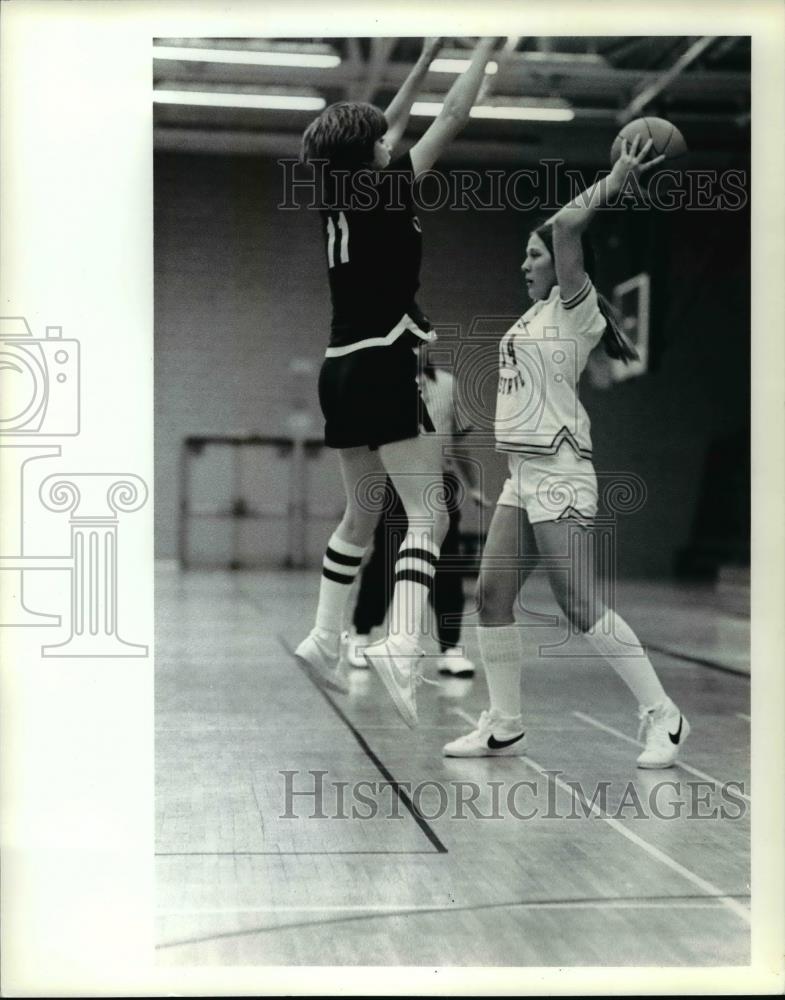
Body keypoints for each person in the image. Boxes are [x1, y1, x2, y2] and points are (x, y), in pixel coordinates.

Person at [443, 135, 691, 768]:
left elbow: (566, 223)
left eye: (534, 255)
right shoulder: (529, 320)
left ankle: (664, 715)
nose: (524, 265)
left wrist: (617, 177)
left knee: (577, 603)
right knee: (491, 597)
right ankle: (504, 724)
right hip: (520, 475)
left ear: (562, 263)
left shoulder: (575, 310)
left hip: (559, 471)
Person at [294, 38, 499, 727]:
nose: (391, 139)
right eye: (381, 140)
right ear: (371, 154)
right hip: (383, 360)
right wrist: (486, 43)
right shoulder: (392, 183)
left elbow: (390, 118)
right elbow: (455, 114)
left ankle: (325, 638)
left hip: (338, 366)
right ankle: (401, 640)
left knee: (361, 514)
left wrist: (430, 50)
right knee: (428, 515)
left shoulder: (334, 192)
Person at [345, 350, 490, 678]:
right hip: (395, 485)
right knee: (386, 561)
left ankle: (450, 649)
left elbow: (458, 443)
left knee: (445, 564)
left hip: (439, 484)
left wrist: (474, 486)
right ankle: (361, 635)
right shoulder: (381, 385)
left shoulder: (447, 386)